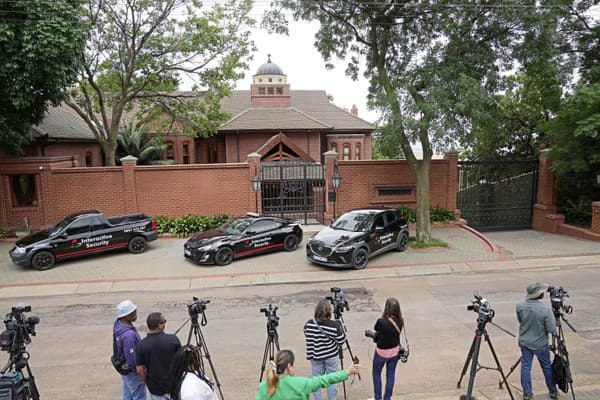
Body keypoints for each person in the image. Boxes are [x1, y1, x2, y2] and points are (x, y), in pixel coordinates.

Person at [255, 349, 359, 400]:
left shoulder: (263, 387)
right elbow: (326, 380)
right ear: (289, 366)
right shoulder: (301, 384)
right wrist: (348, 371)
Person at [517, 282, 558, 400]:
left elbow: (521, 321)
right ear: (539, 295)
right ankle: (552, 391)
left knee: (526, 367)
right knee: (546, 366)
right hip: (540, 344)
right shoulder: (545, 309)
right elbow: (552, 329)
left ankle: (527, 393)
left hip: (525, 342)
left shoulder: (519, 306)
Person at [303, 299, 346, 400]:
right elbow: (342, 340)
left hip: (315, 356)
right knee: (331, 380)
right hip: (331, 356)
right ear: (329, 311)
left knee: (316, 381)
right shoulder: (334, 325)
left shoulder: (309, 324)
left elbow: (306, 333)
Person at [136, 312, 182, 399]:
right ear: (159, 325)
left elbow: (139, 370)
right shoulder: (173, 340)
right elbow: (181, 362)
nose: (165, 323)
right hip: (174, 386)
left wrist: (147, 382)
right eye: (164, 321)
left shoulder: (141, 345)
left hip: (155, 388)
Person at [371, 297, 404, 400]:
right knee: (390, 375)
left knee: (376, 373)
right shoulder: (400, 321)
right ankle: (387, 397)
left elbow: (376, 328)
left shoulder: (381, 321)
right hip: (394, 352)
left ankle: (378, 397)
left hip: (381, 353)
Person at [114, 299, 146, 400]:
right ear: (126, 315)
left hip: (125, 370)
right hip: (133, 372)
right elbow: (132, 360)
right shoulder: (129, 335)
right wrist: (141, 373)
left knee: (128, 395)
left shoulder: (119, 325)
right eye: (133, 313)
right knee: (139, 396)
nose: (135, 314)